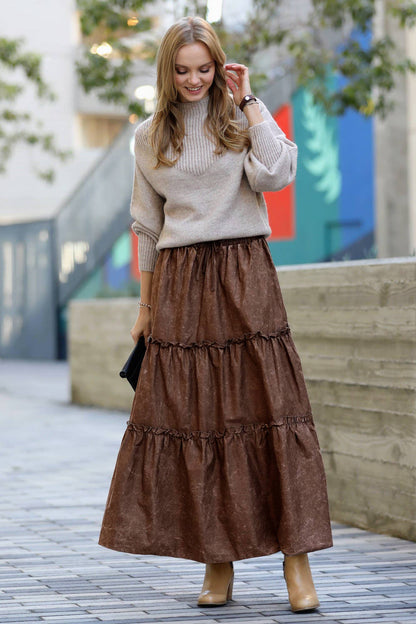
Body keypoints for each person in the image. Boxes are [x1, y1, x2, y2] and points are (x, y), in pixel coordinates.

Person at [99, 15, 333, 613]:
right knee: (200, 422)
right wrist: (146, 308)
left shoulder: (238, 120)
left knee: (272, 413)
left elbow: (279, 174)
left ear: (218, 65)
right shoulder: (150, 137)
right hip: (180, 286)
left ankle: (296, 564)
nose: (194, 79)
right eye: (182, 70)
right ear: (166, 73)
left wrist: (250, 100)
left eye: (204, 68)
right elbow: (146, 225)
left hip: (245, 276)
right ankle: (217, 564)